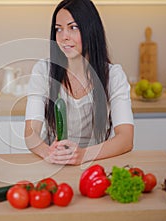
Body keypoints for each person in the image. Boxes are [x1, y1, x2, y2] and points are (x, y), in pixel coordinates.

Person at [24, 0, 134, 165]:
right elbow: (30, 132)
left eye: (73, 27)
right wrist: (49, 153)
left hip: (97, 163)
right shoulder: (43, 71)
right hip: (54, 164)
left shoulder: (113, 75)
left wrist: (82, 155)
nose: (64, 37)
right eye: (58, 29)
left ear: (90, 30)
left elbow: (126, 138)